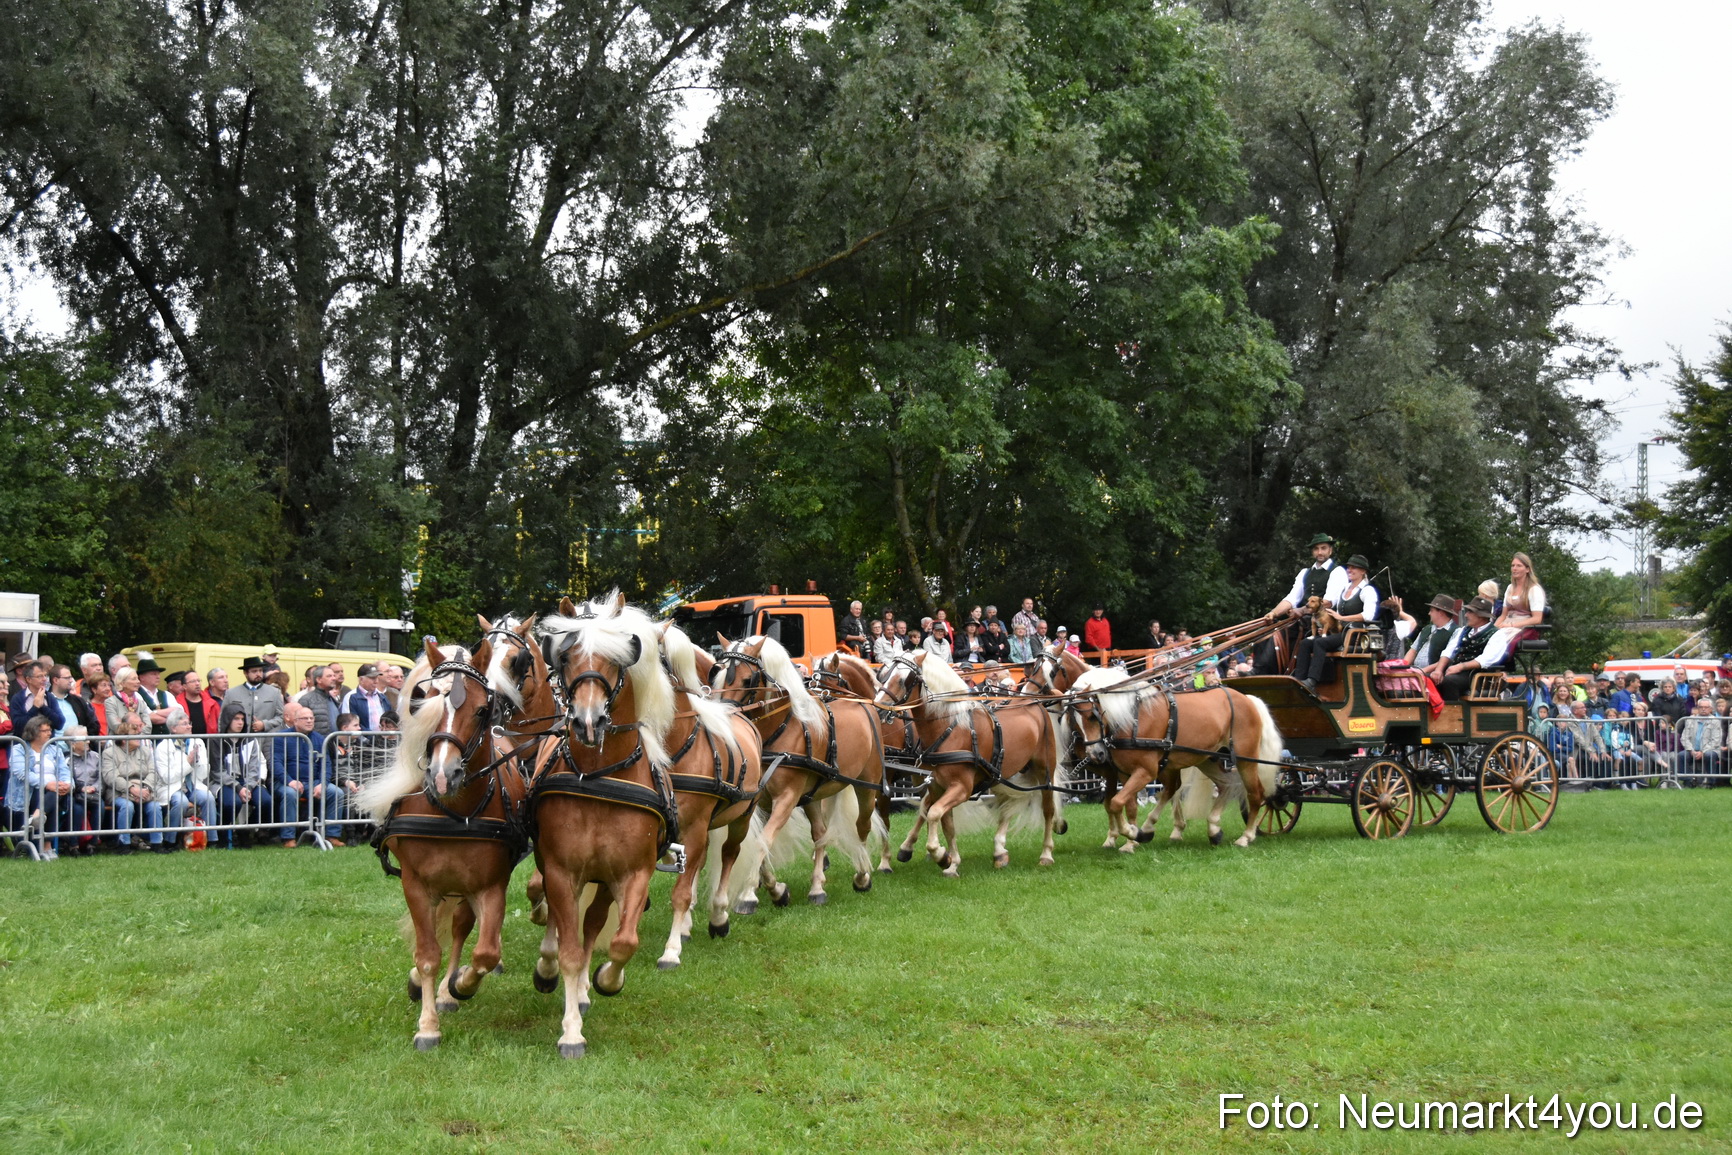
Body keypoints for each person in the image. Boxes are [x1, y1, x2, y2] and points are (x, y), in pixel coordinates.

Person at [1255, 533, 1352, 674]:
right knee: (1264, 632)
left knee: (1278, 635)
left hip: (1324, 623)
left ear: (1330, 550)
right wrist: (1273, 613)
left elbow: (1328, 602)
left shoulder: (1337, 572)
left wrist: (1301, 610)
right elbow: (1291, 598)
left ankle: (1266, 672)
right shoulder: (1305, 573)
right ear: (1312, 552)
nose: (1320, 552)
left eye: (1323, 548)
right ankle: (1259, 671)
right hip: (1304, 620)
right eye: (1316, 549)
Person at [1291, 555, 1380, 691]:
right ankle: (1299, 679)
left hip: (1355, 635)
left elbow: (1368, 615)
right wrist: (1326, 627)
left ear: (1363, 571)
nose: (1349, 570)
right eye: (1349, 567)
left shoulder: (1367, 590)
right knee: (1305, 643)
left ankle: (1312, 681)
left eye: (1354, 568)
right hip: (1339, 632)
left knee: (1320, 643)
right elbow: (1336, 614)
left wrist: (1342, 618)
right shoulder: (1345, 588)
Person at [10, 716, 74, 856]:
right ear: (33, 732)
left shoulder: (55, 749)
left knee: (54, 795)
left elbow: (64, 771)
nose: (49, 733)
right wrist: (47, 784)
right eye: (45, 731)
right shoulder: (19, 749)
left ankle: (38, 816)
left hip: (55, 790)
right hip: (29, 792)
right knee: (52, 797)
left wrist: (68, 785)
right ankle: (47, 847)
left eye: (50, 730)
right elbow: (22, 773)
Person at [153, 711, 215, 848]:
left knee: (208, 798)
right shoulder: (163, 746)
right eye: (184, 724)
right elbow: (167, 777)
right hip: (172, 787)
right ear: (173, 728)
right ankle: (171, 840)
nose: (189, 727)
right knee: (181, 802)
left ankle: (212, 839)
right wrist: (188, 763)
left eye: (189, 723)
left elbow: (203, 775)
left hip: (193, 785)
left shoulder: (197, 742)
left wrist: (198, 761)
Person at [268, 703, 326, 847]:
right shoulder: (281, 737)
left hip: (313, 782)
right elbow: (275, 763)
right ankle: (288, 837)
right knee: (290, 793)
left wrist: (322, 783)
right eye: (305, 718)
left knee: (335, 792)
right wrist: (289, 781)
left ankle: (331, 835)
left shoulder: (320, 739)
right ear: (295, 721)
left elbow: (327, 765)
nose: (309, 721)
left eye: (311, 718)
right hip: (285, 782)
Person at [1436, 596, 1514, 701]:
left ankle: (1451, 711)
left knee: (1449, 681)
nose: (1466, 615)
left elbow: (1486, 659)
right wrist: (1438, 670)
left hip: (1478, 676)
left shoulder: (1497, 634)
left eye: (1470, 612)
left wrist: (1460, 666)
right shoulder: (1463, 630)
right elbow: (1448, 651)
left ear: (1481, 616)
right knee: (1428, 678)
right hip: (1455, 671)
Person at [100, 716, 158, 853]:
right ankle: (123, 844)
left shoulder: (145, 751)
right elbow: (111, 777)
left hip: (144, 791)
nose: (139, 737)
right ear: (124, 739)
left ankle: (157, 843)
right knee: (127, 806)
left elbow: (153, 772)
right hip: (118, 792)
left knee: (155, 806)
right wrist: (131, 789)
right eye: (134, 735)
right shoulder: (109, 753)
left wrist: (146, 789)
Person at [215, 711, 265, 848]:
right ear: (227, 720)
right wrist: (238, 788)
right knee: (233, 803)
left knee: (266, 801)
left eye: (242, 719)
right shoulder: (216, 740)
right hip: (224, 782)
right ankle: (223, 835)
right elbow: (217, 771)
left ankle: (245, 830)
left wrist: (248, 787)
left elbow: (255, 768)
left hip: (247, 781)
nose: (240, 722)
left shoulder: (250, 740)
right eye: (236, 719)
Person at [1402, 595, 1462, 681]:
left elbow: (1448, 658)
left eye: (1432, 610)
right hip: (1417, 671)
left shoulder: (1456, 631)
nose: (1429, 613)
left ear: (1441, 613)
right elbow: (1413, 650)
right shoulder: (1427, 629)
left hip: (1436, 675)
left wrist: (1423, 671)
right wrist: (1403, 667)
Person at [63, 726, 102, 853]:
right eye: (84, 738)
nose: (88, 741)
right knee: (77, 808)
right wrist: (81, 789)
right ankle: (73, 844)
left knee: (99, 805)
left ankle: (93, 844)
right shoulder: (66, 759)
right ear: (73, 743)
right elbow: (67, 779)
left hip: (93, 793)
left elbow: (101, 778)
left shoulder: (95, 756)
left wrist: (94, 788)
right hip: (75, 794)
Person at [223, 657, 286, 733]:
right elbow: (223, 719)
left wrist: (265, 724)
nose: (258, 674)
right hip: (240, 739)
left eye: (260, 670)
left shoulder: (275, 692)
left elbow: (281, 717)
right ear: (245, 673)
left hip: (266, 738)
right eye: (254, 671)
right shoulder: (231, 693)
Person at [1677, 697, 1726, 787]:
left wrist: (1702, 752)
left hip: (1710, 750)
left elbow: (1716, 740)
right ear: (1698, 708)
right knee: (1681, 755)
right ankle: (1689, 780)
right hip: (1692, 750)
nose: (1703, 709)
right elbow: (1684, 737)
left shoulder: (1715, 721)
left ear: (1710, 709)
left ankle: (1711, 783)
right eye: (1701, 707)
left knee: (1709, 755)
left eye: (1706, 707)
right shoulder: (1690, 720)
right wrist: (1691, 750)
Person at [133, 657, 176, 735]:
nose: (158, 676)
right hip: (147, 739)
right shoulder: (136, 694)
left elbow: (178, 711)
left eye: (158, 674)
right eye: (153, 674)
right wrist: (171, 720)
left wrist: (155, 712)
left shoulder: (166, 694)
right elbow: (149, 717)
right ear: (142, 677)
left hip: (167, 739)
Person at [175, 669, 222, 736]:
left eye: (198, 681)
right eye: (193, 681)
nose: (197, 684)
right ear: (184, 686)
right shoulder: (177, 704)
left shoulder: (212, 704)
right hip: (186, 741)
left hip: (209, 741)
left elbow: (220, 726)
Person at [106, 668, 151, 735]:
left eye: (137, 678)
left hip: (140, 740)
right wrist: (138, 729)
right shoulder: (111, 702)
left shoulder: (141, 703)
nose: (138, 681)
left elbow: (148, 727)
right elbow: (115, 725)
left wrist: (135, 736)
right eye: (134, 679)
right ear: (122, 683)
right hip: (119, 741)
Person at [347, 663, 390, 730]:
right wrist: (369, 735)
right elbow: (353, 723)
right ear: (361, 680)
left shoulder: (382, 697)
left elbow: (390, 718)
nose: (376, 681)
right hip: (365, 736)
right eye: (372, 678)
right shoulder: (353, 698)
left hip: (383, 735)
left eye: (377, 678)